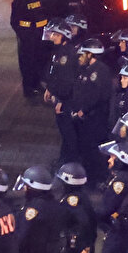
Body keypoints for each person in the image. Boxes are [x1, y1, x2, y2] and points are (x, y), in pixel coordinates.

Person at [69, 38, 113, 182]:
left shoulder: (100, 71)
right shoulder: (87, 69)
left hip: (95, 119)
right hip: (85, 119)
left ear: (90, 55)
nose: (80, 58)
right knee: (85, 149)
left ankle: (98, 179)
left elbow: (99, 96)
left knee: (94, 150)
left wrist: (84, 110)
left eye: (83, 55)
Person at [44, 21, 80, 166]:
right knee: (65, 133)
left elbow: (66, 81)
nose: (52, 37)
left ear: (64, 37)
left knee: (68, 133)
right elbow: (55, 74)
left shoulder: (67, 55)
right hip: (62, 97)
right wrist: (50, 88)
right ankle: (65, 158)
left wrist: (61, 101)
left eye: (56, 35)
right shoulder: (59, 51)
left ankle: (69, 162)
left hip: (67, 100)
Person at [12, 0, 50, 98]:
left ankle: (37, 84)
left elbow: (45, 15)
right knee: (27, 64)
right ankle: (28, 89)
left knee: (40, 62)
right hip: (27, 37)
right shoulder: (19, 1)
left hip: (40, 36)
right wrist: (23, 35)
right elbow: (15, 21)